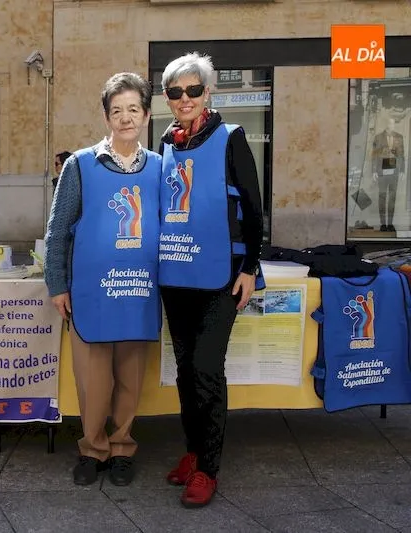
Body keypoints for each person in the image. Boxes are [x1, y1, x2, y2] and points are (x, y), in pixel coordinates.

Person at [157, 52, 264, 507]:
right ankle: (193, 451)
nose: (185, 99)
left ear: (208, 92)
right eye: (176, 92)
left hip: (220, 278)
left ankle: (209, 469)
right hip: (176, 276)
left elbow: (254, 209)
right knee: (184, 372)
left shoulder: (231, 137)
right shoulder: (164, 143)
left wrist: (250, 269)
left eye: (193, 90)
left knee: (205, 369)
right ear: (167, 98)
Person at [45, 73, 161, 487]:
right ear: (107, 117)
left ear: (146, 115)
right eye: (117, 111)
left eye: (133, 109)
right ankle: (92, 448)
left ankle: (122, 447)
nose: (125, 118)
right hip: (91, 293)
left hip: (139, 290)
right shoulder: (80, 165)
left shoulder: (161, 169)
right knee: (94, 381)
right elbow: (58, 229)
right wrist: (58, 284)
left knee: (130, 378)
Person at [372, 117, 405, 232]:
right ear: (386, 125)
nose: (392, 126)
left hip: (394, 171)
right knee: (382, 197)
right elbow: (374, 155)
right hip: (382, 171)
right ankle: (382, 223)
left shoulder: (399, 137)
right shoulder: (378, 138)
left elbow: (402, 155)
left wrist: (402, 170)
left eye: (393, 123)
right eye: (390, 123)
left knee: (392, 197)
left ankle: (390, 223)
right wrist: (373, 171)